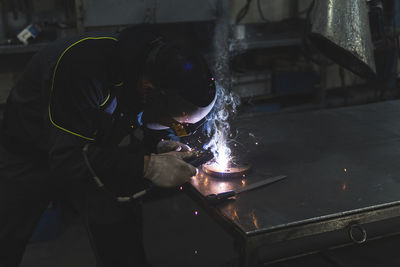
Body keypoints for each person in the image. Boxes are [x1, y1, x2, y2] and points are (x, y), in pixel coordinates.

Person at [0, 25, 216, 266]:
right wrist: (148, 166)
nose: (178, 131)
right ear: (149, 92)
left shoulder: (153, 66)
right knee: (7, 238)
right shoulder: (83, 68)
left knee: (119, 227)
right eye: (176, 125)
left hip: (86, 144)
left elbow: (139, 118)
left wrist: (160, 143)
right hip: (28, 152)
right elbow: (67, 159)